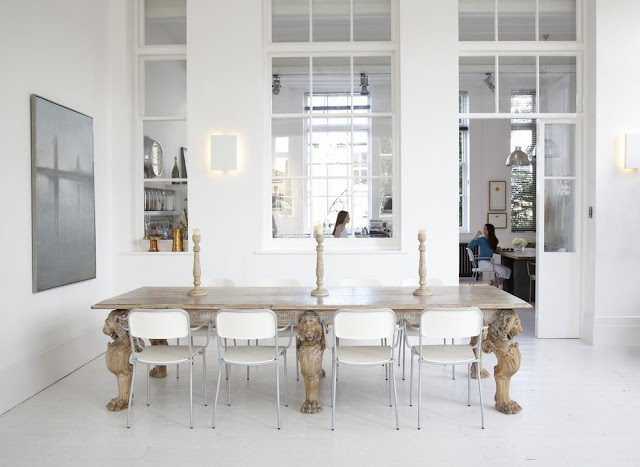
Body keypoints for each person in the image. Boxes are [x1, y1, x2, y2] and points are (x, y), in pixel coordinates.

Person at [467, 223, 511, 287]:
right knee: (503, 271)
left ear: (490, 230)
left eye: (486, 229)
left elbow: (489, 249)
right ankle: (494, 286)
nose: (484, 231)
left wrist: (496, 248)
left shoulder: (492, 240)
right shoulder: (482, 239)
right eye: (484, 229)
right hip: (483, 263)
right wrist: (477, 235)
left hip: (489, 262)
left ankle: (493, 283)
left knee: (508, 270)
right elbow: (469, 246)